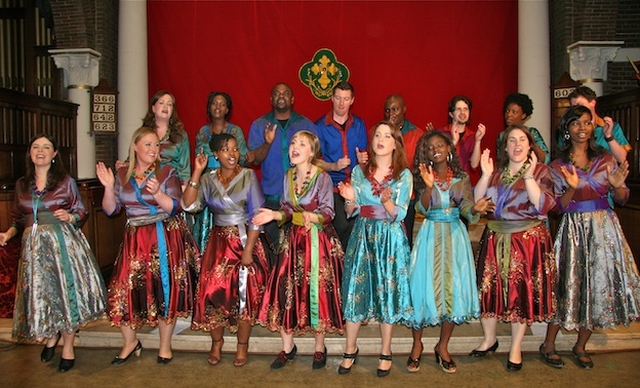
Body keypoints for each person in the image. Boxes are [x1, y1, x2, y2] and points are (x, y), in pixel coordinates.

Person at [540, 105, 640, 369]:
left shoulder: (606, 159)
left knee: (597, 285)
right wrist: (572, 189)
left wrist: (618, 188)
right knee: (567, 285)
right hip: (573, 228)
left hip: (603, 228)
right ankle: (548, 343)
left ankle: (581, 345)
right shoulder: (558, 165)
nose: (582, 128)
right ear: (566, 129)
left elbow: (621, 198)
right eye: (576, 123)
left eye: (586, 123)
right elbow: (557, 208)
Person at [0, 134, 106, 372]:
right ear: (30, 153)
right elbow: (19, 218)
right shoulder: (21, 184)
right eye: (36, 147)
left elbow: (81, 211)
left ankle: (68, 346)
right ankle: (51, 335)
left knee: (65, 296)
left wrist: (70, 217)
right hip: (33, 250)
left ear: (54, 154)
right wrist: (9, 233)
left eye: (46, 147)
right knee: (44, 296)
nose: (40, 150)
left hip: (61, 245)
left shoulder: (65, 181)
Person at [96, 126, 199, 365]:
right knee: (121, 290)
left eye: (156, 145)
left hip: (162, 235)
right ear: (135, 147)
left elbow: (176, 207)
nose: (154, 150)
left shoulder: (167, 172)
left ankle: (165, 345)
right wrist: (109, 187)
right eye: (148, 144)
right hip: (135, 239)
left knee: (164, 289)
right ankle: (131, 342)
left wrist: (158, 193)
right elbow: (111, 210)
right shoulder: (122, 174)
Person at [253, 130, 344, 370]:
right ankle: (287, 347)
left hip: (317, 243)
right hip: (293, 241)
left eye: (301, 144)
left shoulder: (323, 177)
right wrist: (275, 214)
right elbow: (285, 209)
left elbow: (328, 213)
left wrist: (310, 216)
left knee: (318, 291)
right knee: (285, 289)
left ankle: (318, 347)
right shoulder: (288, 176)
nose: (295, 146)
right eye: (293, 142)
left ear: (312, 153)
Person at [470, 125, 557, 372]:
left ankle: (515, 345)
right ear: (505, 147)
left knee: (520, 294)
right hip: (495, 237)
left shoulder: (540, 171)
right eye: (511, 140)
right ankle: (489, 339)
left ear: (529, 145)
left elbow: (541, 205)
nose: (517, 144)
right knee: (489, 290)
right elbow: (478, 203)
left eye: (522, 140)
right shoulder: (496, 172)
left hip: (526, 240)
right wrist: (485, 176)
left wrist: (528, 177)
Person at [183, 133, 270, 367]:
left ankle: (242, 346)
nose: (232, 154)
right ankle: (217, 343)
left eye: (235, 149)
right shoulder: (208, 179)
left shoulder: (249, 176)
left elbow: (257, 216)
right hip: (218, 243)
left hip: (245, 239)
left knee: (245, 295)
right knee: (212, 292)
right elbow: (189, 205)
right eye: (226, 150)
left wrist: (248, 250)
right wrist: (196, 172)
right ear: (215, 155)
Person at [406, 131, 490, 374]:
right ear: (426, 154)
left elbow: (465, 207)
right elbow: (422, 206)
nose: (435, 150)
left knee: (453, 290)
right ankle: (417, 344)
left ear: (449, 148)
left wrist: (476, 207)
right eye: (430, 148)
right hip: (430, 235)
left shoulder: (461, 178)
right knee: (421, 289)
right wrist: (429, 185)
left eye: (440, 145)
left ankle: (442, 346)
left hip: (454, 237)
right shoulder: (423, 176)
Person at [337, 121, 413, 378]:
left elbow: (400, 213)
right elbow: (353, 211)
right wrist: (349, 198)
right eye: (377, 135)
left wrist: (388, 201)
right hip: (363, 235)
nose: (381, 139)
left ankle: (386, 350)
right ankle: (350, 348)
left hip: (390, 239)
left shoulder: (404, 175)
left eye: (387, 135)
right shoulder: (360, 171)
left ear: (395, 143)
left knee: (387, 293)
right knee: (354, 291)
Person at [248, 82, 316, 249]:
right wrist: (267, 143)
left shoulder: (306, 125)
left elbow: (315, 158)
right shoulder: (259, 125)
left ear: (292, 99)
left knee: (297, 247)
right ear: (271, 99)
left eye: (285, 93)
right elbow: (254, 160)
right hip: (270, 195)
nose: (281, 96)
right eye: (277, 93)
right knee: (271, 247)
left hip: (300, 199)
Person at [191, 91, 254, 252]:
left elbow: (242, 159)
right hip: (208, 185)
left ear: (227, 109)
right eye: (214, 103)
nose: (218, 107)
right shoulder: (202, 132)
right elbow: (198, 159)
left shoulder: (235, 131)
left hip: (229, 183)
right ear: (209, 107)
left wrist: (251, 157)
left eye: (222, 104)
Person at [364, 94, 427, 247]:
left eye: (395, 109)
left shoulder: (417, 134)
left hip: (406, 197)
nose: (390, 113)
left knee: (403, 240)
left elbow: (420, 167)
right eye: (387, 110)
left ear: (404, 110)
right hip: (377, 199)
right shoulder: (374, 133)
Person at [316, 81, 368, 248]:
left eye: (345, 99)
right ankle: (338, 265)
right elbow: (313, 161)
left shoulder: (359, 124)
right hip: (332, 186)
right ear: (331, 98)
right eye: (338, 98)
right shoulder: (320, 125)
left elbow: (365, 157)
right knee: (341, 226)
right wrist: (333, 166)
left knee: (357, 227)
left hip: (355, 185)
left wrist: (363, 160)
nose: (341, 103)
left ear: (352, 100)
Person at [117, 90, 191, 188]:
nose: (165, 107)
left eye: (169, 104)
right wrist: (123, 165)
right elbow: (132, 158)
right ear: (153, 108)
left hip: (170, 185)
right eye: (161, 103)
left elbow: (185, 170)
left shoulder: (180, 135)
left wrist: (183, 194)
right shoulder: (143, 133)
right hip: (144, 183)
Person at [559, 86, 631, 164]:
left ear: (593, 103)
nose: (578, 110)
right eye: (574, 107)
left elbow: (622, 159)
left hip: (607, 174)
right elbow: (562, 157)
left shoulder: (612, 127)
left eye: (581, 105)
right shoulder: (568, 129)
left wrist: (609, 136)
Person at [435, 95, 485, 184]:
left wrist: (478, 141)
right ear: (451, 114)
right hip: (444, 183)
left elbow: (474, 165)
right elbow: (438, 161)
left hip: (463, 185)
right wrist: (454, 142)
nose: (463, 112)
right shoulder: (441, 133)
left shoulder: (473, 136)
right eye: (458, 109)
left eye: (466, 109)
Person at [497, 93, 550, 163]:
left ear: (523, 115)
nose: (509, 115)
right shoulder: (502, 136)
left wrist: (531, 141)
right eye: (507, 111)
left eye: (514, 112)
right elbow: (500, 161)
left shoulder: (532, 132)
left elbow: (546, 160)